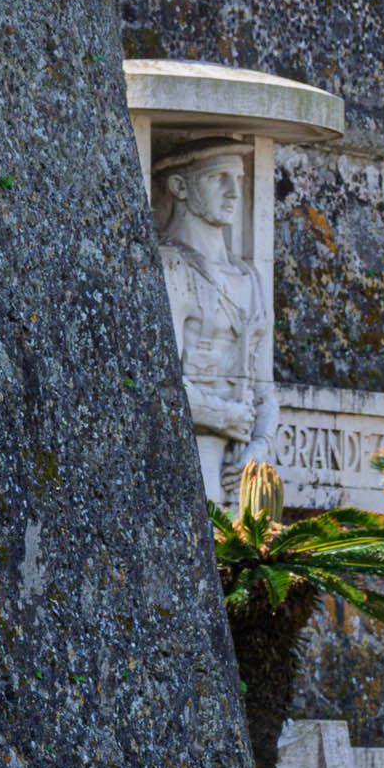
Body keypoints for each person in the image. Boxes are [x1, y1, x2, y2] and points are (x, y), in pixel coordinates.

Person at [154, 137, 275, 503]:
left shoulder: (250, 277)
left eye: (237, 179)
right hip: (191, 452)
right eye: (217, 177)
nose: (233, 192)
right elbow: (163, 384)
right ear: (180, 187)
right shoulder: (171, 266)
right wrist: (225, 416)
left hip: (241, 466)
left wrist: (260, 446)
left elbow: (265, 389)